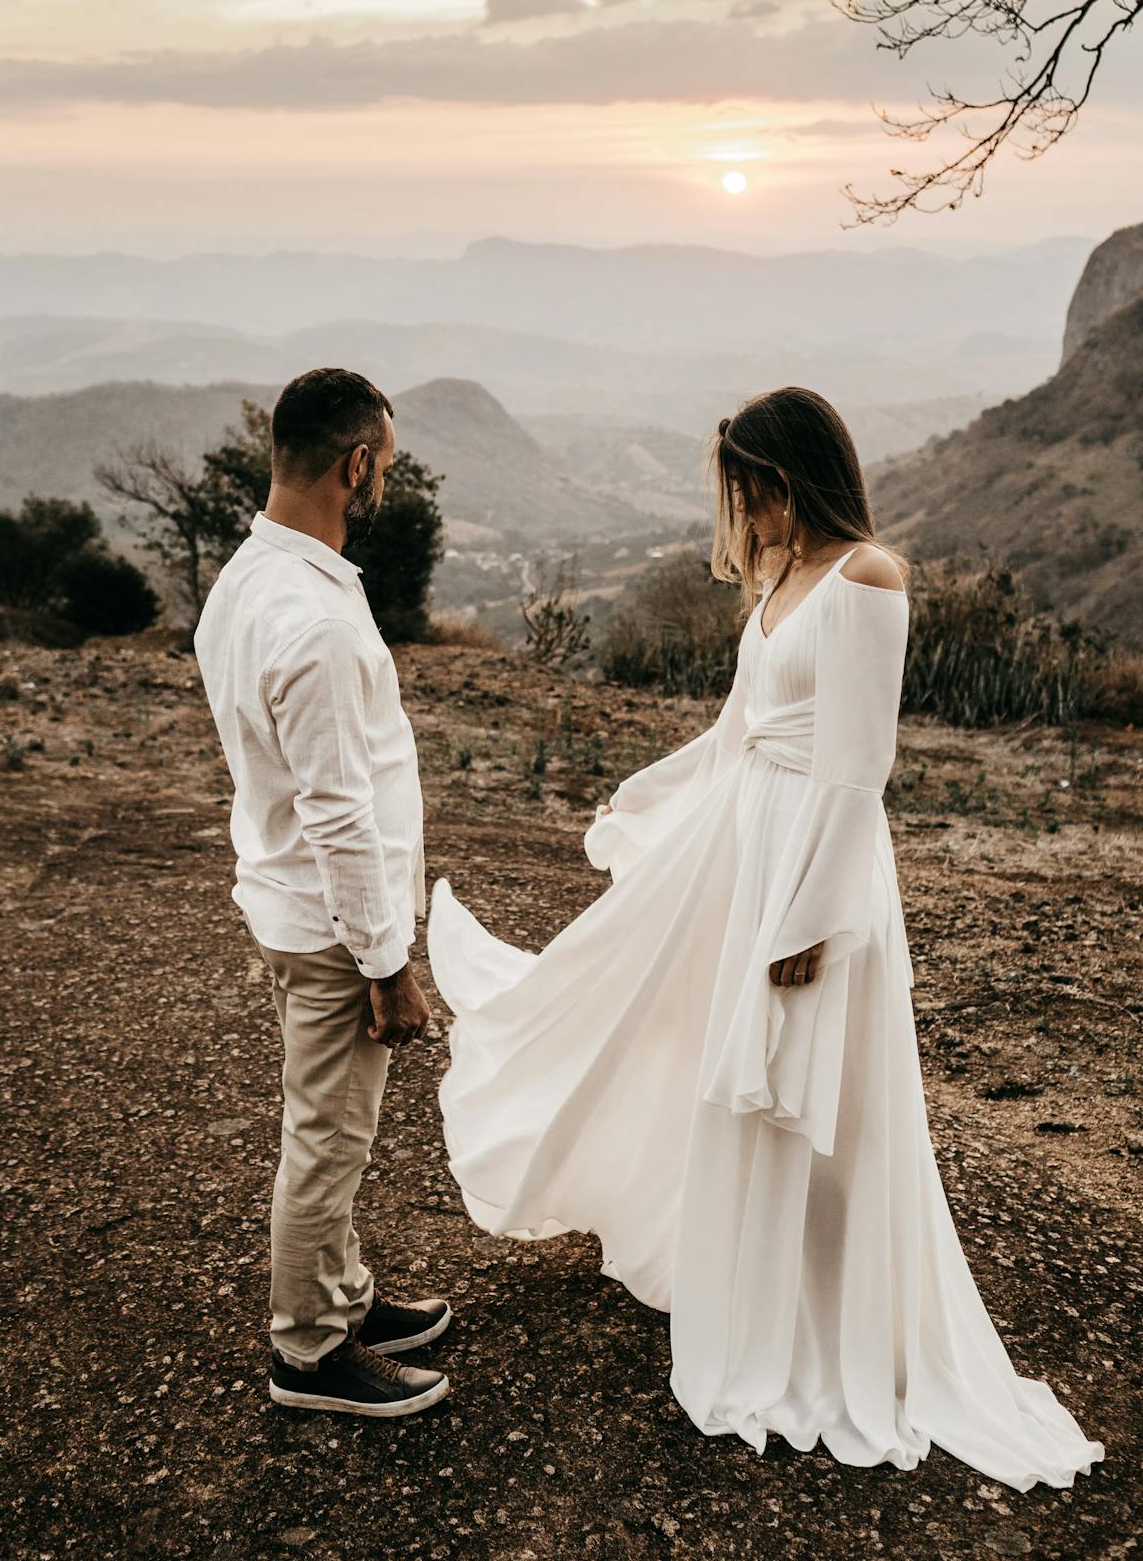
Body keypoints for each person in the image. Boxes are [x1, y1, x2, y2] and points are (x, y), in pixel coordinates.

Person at [427, 386, 1104, 1489]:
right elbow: (736, 728)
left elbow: (857, 769)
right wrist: (646, 797)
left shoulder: (866, 580)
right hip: (748, 845)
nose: (741, 517)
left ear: (790, 480)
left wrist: (811, 917)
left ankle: (831, 1319)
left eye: (750, 493)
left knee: (808, 1082)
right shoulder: (781, 578)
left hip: (815, 869)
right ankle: (759, 1290)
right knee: (695, 1043)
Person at [194, 367, 450, 1419]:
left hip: (288, 901)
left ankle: (343, 1294)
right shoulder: (317, 623)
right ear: (357, 464)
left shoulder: (248, 579)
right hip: (336, 930)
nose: (381, 480)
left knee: (328, 1125)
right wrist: (388, 967)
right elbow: (342, 815)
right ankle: (306, 1351)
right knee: (328, 1137)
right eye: (382, 464)